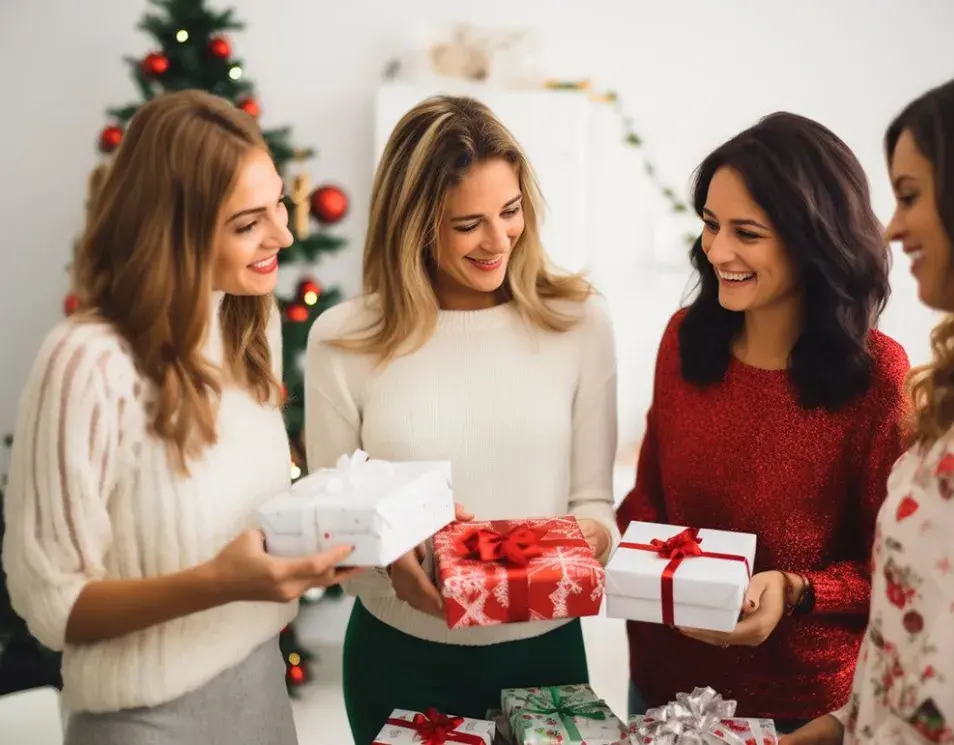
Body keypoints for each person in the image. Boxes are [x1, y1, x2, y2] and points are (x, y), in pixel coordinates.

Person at [0, 90, 357, 745]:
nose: (284, 233)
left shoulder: (250, 326)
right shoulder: (88, 363)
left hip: (265, 695)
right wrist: (217, 583)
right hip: (145, 721)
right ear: (176, 230)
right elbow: (51, 605)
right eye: (249, 223)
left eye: (279, 202)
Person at [304, 94, 620, 744]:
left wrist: (591, 537)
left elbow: (594, 499)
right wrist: (397, 564)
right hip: (402, 655)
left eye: (511, 211)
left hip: (546, 655)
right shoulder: (343, 339)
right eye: (467, 223)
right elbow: (332, 532)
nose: (499, 238)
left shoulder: (580, 321)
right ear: (414, 225)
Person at [617, 112, 910, 733]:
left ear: (814, 241)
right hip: (662, 694)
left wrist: (798, 590)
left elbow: (893, 567)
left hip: (798, 715)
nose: (716, 251)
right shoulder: (684, 341)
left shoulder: (878, 379)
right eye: (710, 224)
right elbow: (647, 503)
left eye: (746, 233)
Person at [781, 69, 954, 745]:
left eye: (909, 195)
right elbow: (921, 627)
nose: (893, 225)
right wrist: (838, 726)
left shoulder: (880, 372)